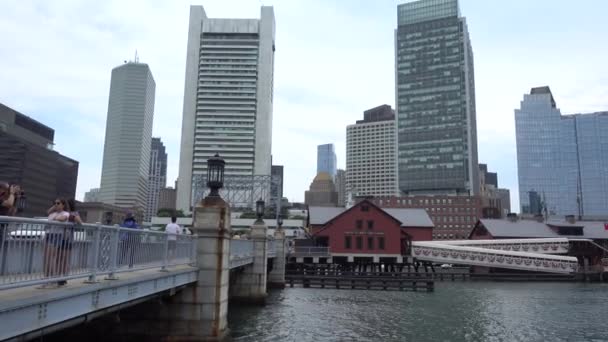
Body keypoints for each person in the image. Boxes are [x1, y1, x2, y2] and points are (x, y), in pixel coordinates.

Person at [42, 198, 70, 288]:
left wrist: (55, 218)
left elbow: (61, 219)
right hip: (48, 235)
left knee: (51, 257)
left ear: (63, 205)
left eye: (58, 203)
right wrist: (54, 212)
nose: (56, 205)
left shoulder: (66, 213)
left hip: (57, 235)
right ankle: (47, 278)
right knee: (46, 258)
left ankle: (52, 278)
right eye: (55, 203)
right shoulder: (52, 213)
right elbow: (49, 216)